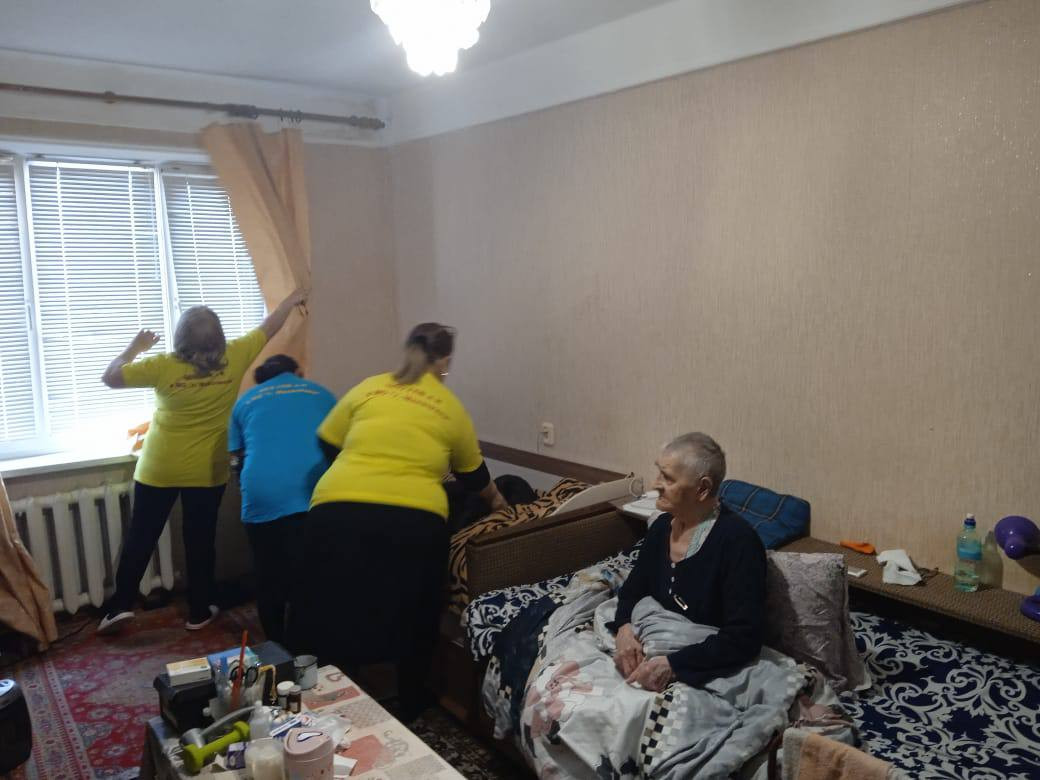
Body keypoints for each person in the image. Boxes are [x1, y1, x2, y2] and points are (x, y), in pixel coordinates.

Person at [291, 322, 507, 721]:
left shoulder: (369, 387)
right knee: (416, 611)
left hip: (335, 509)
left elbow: (326, 439)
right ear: (444, 361)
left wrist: (359, 469)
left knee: (332, 602)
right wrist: (498, 502)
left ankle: (330, 695)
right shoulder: (448, 405)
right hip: (412, 519)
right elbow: (473, 475)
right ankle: (409, 700)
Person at [96, 289, 307, 635]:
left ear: (181, 339)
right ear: (219, 337)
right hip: (206, 471)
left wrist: (135, 348)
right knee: (200, 540)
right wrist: (290, 299)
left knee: (141, 536)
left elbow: (111, 376)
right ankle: (198, 611)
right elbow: (270, 326)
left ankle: (119, 606)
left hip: (159, 467)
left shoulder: (162, 366)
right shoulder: (236, 355)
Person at [610, 432, 766, 691]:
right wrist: (624, 630)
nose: (655, 484)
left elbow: (744, 637)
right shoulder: (661, 528)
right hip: (648, 642)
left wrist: (673, 664)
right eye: (659, 473)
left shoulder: (739, 542)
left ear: (702, 489)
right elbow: (632, 591)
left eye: (668, 478)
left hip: (701, 662)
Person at [228, 354, 335, 643]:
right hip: (314, 491)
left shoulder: (245, 400)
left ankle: (276, 645)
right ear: (298, 373)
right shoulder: (322, 393)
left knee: (267, 574)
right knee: (312, 574)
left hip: (262, 492)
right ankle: (311, 646)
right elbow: (340, 445)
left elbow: (237, 455)